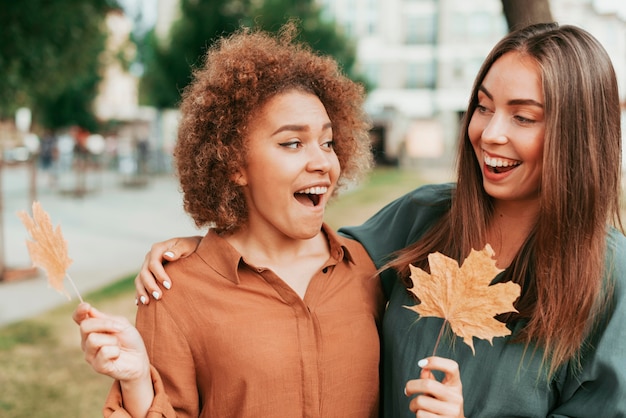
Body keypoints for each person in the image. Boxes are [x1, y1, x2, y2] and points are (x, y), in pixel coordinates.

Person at [137, 22, 626, 417]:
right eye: (482, 107)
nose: (489, 133)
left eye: (523, 117)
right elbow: (311, 256)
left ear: (576, 133)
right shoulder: (425, 217)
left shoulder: (611, 277)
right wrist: (208, 249)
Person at [73, 22, 385, 418]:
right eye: (292, 143)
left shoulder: (365, 271)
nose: (322, 161)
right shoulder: (173, 290)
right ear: (235, 163)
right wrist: (136, 381)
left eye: (327, 142)